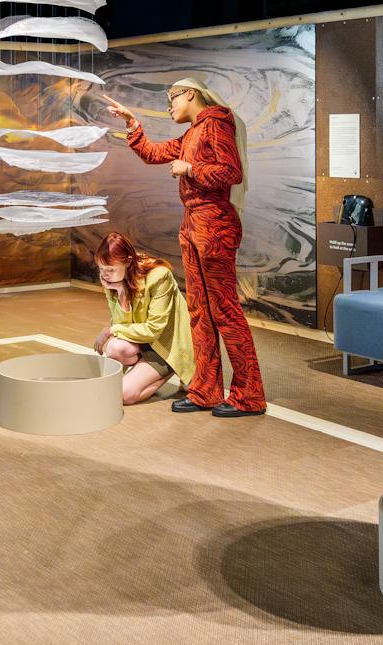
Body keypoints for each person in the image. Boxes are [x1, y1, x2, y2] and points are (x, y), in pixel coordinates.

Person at [103, 79, 266, 417]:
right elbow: (154, 154)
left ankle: (248, 395)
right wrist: (133, 124)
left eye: (171, 99)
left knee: (224, 310)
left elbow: (230, 172)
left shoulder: (216, 124)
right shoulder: (193, 132)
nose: (169, 106)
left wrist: (191, 168)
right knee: (200, 311)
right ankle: (205, 389)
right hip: (194, 222)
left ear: (190, 93)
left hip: (214, 223)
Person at [92, 231, 196, 405]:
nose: (104, 274)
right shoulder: (111, 281)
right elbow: (120, 325)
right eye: (101, 269)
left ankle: (171, 368)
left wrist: (110, 330)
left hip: (165, 346)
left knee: (122, 395)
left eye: (110, 269)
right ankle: (143, 372)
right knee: (115, 347)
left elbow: (154, 329)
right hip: (141, 342)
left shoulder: (159, 276)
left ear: (128, 262)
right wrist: (122, 292)